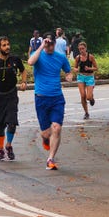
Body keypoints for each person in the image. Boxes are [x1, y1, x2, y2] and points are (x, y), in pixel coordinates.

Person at [27, 31, 71, 170]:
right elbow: (30, 62)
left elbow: (68, 70)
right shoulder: (38, 55)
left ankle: (50, 158)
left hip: (57, 97)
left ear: (55, 43)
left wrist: (69, 76)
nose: (49, 47)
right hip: (41, 98)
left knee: (57, 128)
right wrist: (40, 47)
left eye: (51, 44)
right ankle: (45, 138)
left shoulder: (61, 57)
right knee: (46, 133)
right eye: (47, 44)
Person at [72, 41, 98, 119]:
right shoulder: (78, 58)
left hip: (89, 77)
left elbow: (96, 68)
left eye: (83, 48)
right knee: (83, 95)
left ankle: (91, 98)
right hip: (81, 77)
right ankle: (86, 113)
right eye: (80, 49)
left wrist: (89, 68)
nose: (81, 50)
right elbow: (75, 67)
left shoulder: (90, 57)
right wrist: (76, 70)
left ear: (86, 48)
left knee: (88, 97)